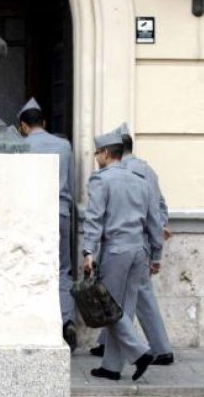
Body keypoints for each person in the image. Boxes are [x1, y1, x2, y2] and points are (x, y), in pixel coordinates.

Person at [80, 125, 165, 382]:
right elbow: (155, 221)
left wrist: (88, 252)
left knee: (109, 309)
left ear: (106, 153)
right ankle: (112, 367)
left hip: (116, 250)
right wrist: (157, 255)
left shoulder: (101, 179)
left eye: (97, 153)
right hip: (139, 250)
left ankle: (139, 353)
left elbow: (94, 220)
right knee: (123, 309)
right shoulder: (141, 181)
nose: (96, 158)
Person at [16, 98, 76, 351]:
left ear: (23, 126)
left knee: (29, 267)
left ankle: (34, 325)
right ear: (45, 122)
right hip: (61, 211)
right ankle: (67, 322)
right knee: (62, 269)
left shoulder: (20, 146)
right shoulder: (64, 145)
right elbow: (71, 183)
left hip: (31, 216)